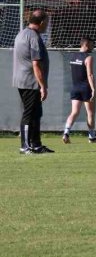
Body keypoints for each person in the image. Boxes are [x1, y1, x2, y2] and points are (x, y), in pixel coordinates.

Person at [13, 8, 53, 154]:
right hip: (30, 82)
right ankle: (24, 146)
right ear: (42, 22)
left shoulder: (22, 33)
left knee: (36, 113)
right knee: (29, 114)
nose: (47, 25)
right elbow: (35, 64)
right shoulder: (34, 37)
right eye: (47, 22)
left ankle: (36, 145)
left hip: (24, 80)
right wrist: (43, 86)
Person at [62, 36, 96, 144]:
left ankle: (66, 133)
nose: (93, 47)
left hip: (75, 88)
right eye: (92, 45)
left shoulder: (73, 57)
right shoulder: (88, 58)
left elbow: (72, 70)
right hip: (86, 88)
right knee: (90, 113)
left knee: (74, 112)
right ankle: (92, 137)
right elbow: (90, 74)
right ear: (86, 45)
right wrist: (93, 89)